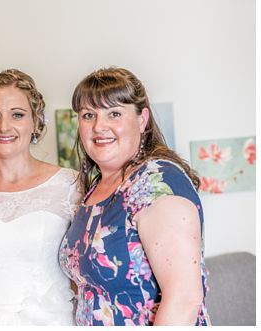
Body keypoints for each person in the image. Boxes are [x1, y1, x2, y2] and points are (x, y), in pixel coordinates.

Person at [59, 67, 209, 325]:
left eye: (114, 113)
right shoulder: (94, 190)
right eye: (88, 115)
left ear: (142, 120)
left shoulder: (156, 182)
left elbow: (183, 299)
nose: (99, 126)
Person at [0, 69, 79, 325]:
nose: (3, 126)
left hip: (53, 322)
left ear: (35, 122)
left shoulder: (70, 185)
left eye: (17, 115)